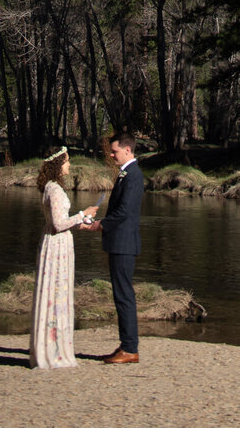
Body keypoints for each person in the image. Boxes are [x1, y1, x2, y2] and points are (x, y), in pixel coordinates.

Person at [29, 147, 98, 369]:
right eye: (67, 161)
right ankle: (53, 351)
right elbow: (59, 224)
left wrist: (85, 222)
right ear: (57, 165)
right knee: (56, 293)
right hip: (56, 246)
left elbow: (61, 221)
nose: (70, 165)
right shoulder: (55, 190)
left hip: (55, 244)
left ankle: (52, 347)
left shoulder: (52, 188)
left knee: (56, 293)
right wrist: (82, 214)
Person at [82, 130, 144, 364]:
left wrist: (99, 225)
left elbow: (124, 211)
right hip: (120, 242)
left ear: (128, 150)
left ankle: (129, 349)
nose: (111, 154)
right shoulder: (125, 174)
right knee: (121, 294)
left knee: (124, 295)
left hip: (124, 243)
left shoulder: (134, 175)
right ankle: (126, 346)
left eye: (115, 150)